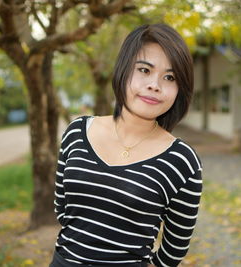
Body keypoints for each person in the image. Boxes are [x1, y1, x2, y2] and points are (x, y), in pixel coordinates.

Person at [50, 23, 203, 267]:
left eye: (169, 77)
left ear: (179, 89)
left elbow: (174, 249)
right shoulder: (77, 132)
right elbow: (62, 208)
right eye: (144, 70)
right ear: (123, 70)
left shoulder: (181, 160)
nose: (155, 84)